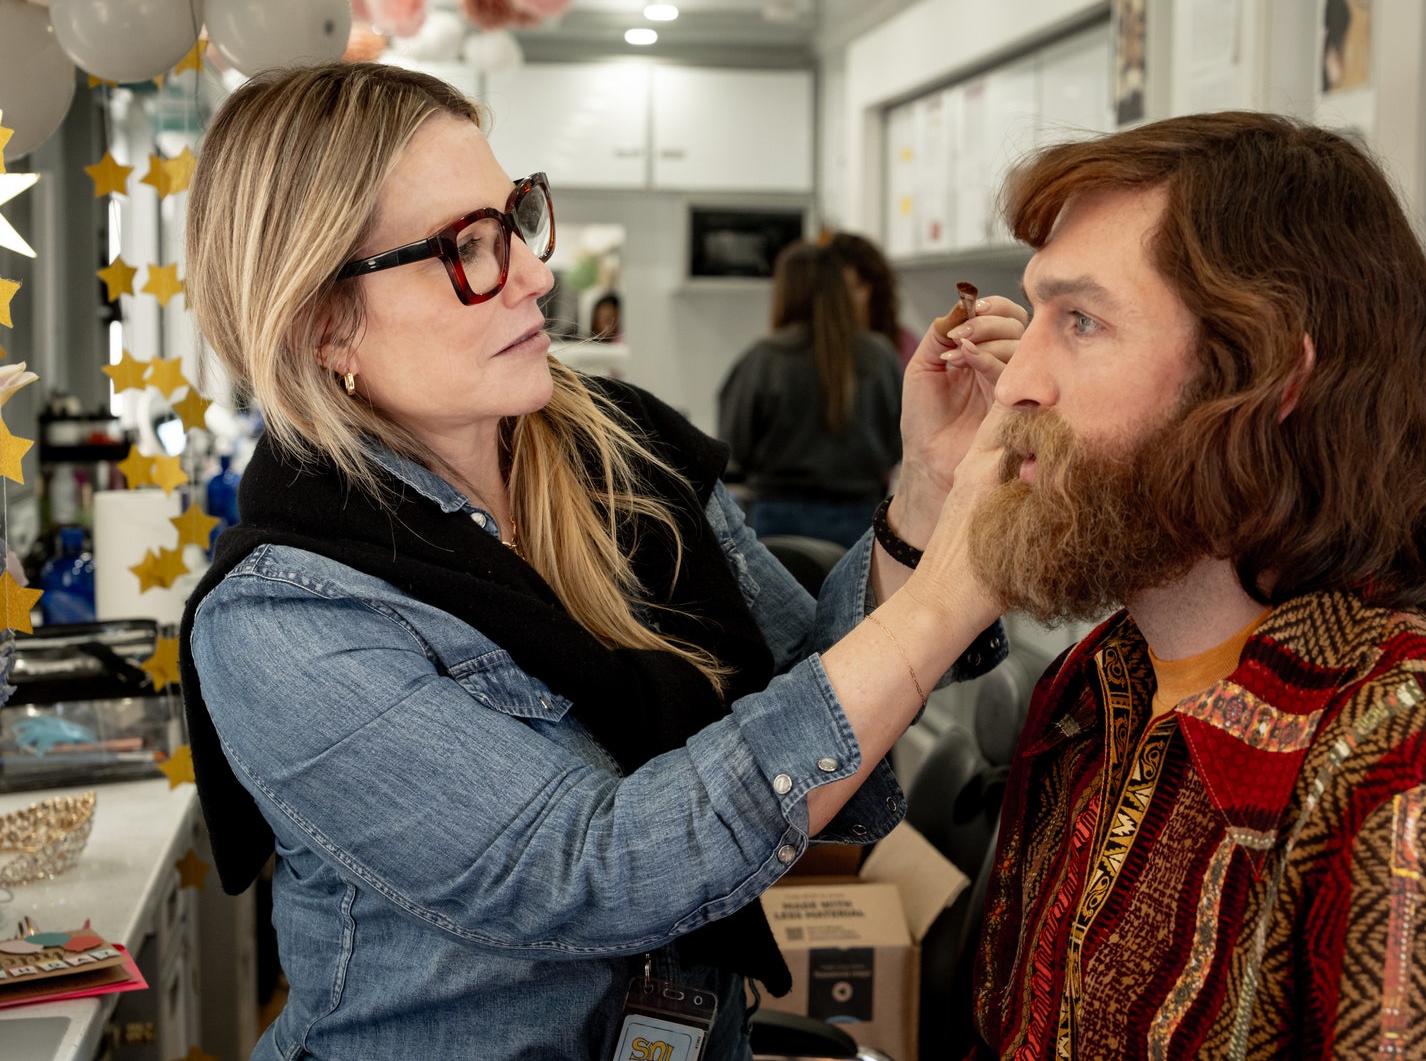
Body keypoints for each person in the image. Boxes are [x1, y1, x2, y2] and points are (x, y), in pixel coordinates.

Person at [176, 62, 1029, 1061]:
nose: (538, 273)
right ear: (323, 319)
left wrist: (927, 486)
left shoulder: (627, 453)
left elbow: (821, 717)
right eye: (468, 249)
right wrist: (950, 594)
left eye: (515, 217)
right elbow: (603, 870)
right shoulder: (286, 622)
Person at [964, 111, 1426, 1057]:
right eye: (1036, 315)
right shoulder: (1091, 688)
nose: (1015, 379)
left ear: (1268, 377)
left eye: (1082, 321)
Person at [717, 241, 905, 548]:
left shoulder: (764, 358)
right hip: (862, 522)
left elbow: (733, 446)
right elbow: (901, 439)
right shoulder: (880, 356)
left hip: (777, 524)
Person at [827, 230, 920, 367]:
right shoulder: (822, 348)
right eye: (841, 289)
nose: (847, 298)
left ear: (875, 288)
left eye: (856, 286)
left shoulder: (904, 345)